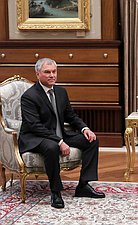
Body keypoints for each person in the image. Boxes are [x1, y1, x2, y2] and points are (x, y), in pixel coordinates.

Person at [18, 58, 105, 209]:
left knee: (92, 140)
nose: (52, 75)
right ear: (37, 74)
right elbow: (35, 126)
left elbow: (70, 116)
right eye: (47, 72)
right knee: (51, 147)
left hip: (60, 135)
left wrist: (85, 129)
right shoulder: (29, 96)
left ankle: (83, 185)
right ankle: (56, 192)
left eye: (54, 72)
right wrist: (59, 142)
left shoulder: (61, 91)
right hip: (37, 137)